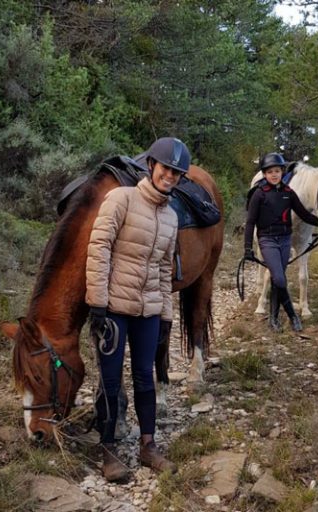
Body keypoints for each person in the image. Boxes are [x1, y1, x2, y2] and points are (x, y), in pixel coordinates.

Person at [86, 137, 189, 482]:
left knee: (146, 376)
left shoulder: (172, 217)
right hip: (113, 308)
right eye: (166, 169)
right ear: (151, 167)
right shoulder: (121, 199)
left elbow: (163, 268)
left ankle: (148, 445)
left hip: (147, 311)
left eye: (177, 172)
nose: (170, 176)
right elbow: (99, 247)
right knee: (111, 380)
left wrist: (166, 316)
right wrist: (97, 303)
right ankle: (109, 450)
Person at [244, 152, 318, 332]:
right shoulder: (259, 194)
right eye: (270, 171)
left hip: (285, 240)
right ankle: (292, 315)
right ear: (264, 174)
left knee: (277, 279)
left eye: (277, 171)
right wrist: (248, 247)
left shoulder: (289, 193)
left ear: (282, 173)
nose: (274, 174)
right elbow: (250, 222)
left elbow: (304, 214)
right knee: (280, 278)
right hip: (267, 240)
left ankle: (273, 319)